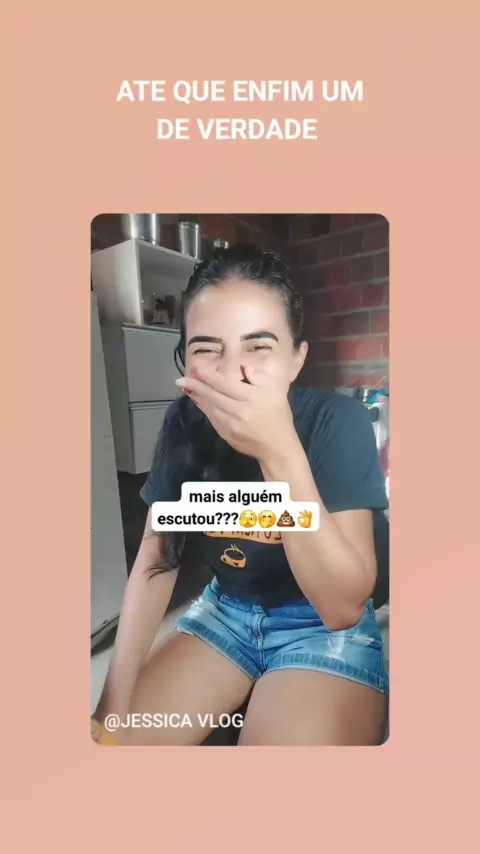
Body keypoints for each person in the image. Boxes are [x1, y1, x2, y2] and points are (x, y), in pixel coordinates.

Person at [94, 244, 389, 746]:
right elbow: (157, 562)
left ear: (297, 359)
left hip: (320, 626)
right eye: (207, 349)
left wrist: (279, 452)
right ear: (184, 360)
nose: (233, 373)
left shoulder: (338, 423)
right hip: (225, 611)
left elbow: (341, 607)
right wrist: (109, 712)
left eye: (259, 346)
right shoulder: (184, 423)